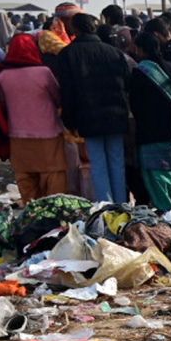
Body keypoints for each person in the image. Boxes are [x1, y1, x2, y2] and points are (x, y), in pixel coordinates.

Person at [52, 12, 134, 205]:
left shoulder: (67, 54)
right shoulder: (114, 52)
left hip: (88, 117)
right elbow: (127, 84)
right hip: (116, 115)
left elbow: (68, 92)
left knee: (98, 163)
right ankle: (122, 206)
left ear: (75, 29)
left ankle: (106, 208)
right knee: (116, 162)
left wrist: (69, 120)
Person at [124, 31, 171, 214]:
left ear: (140, 49)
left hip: (151, 136)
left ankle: (167, 216)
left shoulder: (139, 73)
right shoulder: (170, 67)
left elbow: (136, 105)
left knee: (159, 181)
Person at [0, 33, 65, 203]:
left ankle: (31, 212)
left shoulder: (2, 76)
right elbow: (57, 97)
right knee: (54, 174)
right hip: (48, 133)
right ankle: (52, 212)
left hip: (17, 134)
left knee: (25, 176)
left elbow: (0, 104)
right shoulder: (44, 73)